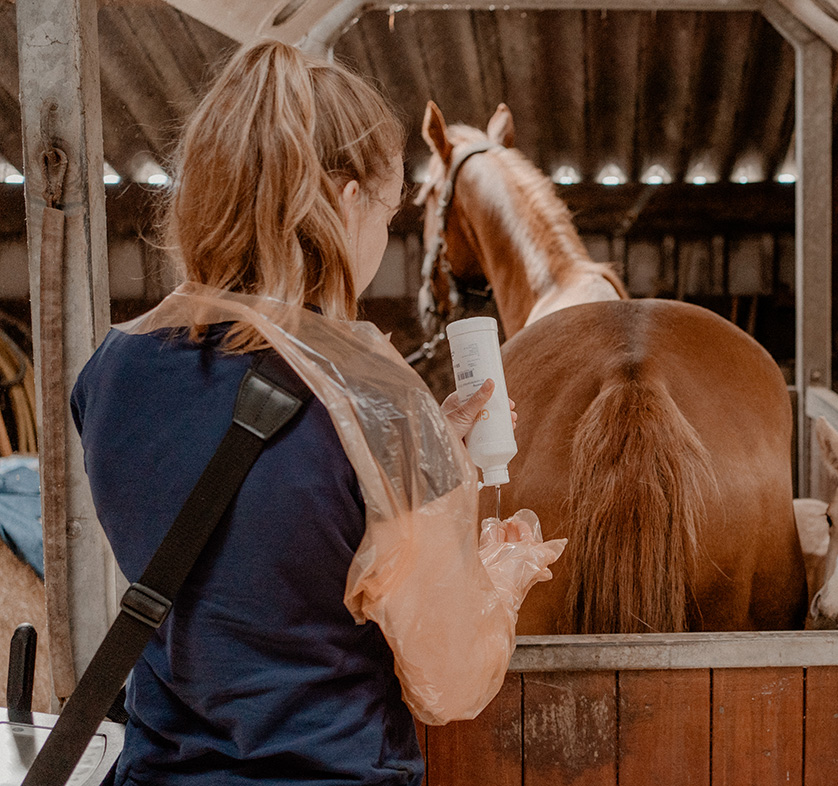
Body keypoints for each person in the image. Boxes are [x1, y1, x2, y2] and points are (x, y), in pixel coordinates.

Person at [70, 40, 562, 786]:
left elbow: (239, 520)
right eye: (388, 214)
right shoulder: (383, 401)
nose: (380, 241)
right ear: (344, 199)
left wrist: (426, 453)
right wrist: (496, 563)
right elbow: (450, 681)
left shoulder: (112, 369)